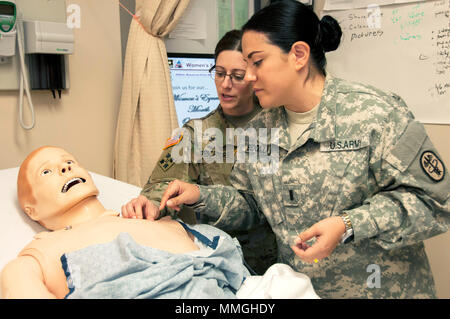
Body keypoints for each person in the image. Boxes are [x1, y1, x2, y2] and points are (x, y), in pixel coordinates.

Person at [157, 0, 450, 298]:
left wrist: (348, 225)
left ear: (298, 55)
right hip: (302, 291)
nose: (248, 76)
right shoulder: (260, 130)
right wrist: (200, 197)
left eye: (256, 63)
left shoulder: (376, 114)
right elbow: (251, 205)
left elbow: (435, 202)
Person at [121, 30, 278, 275]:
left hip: (278, 262)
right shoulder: (195, 134)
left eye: (237, 76)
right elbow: (163, 185)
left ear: (254, 76)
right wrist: (149, 204)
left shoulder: (278, 126)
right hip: (223, 262)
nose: (225, 84)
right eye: (219, 73)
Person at [0, 146, 249, 299]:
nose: (66, 169)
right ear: (30, 210)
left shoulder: (156, 220)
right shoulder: (39, 253)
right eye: (47, 172)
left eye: (69, 162)